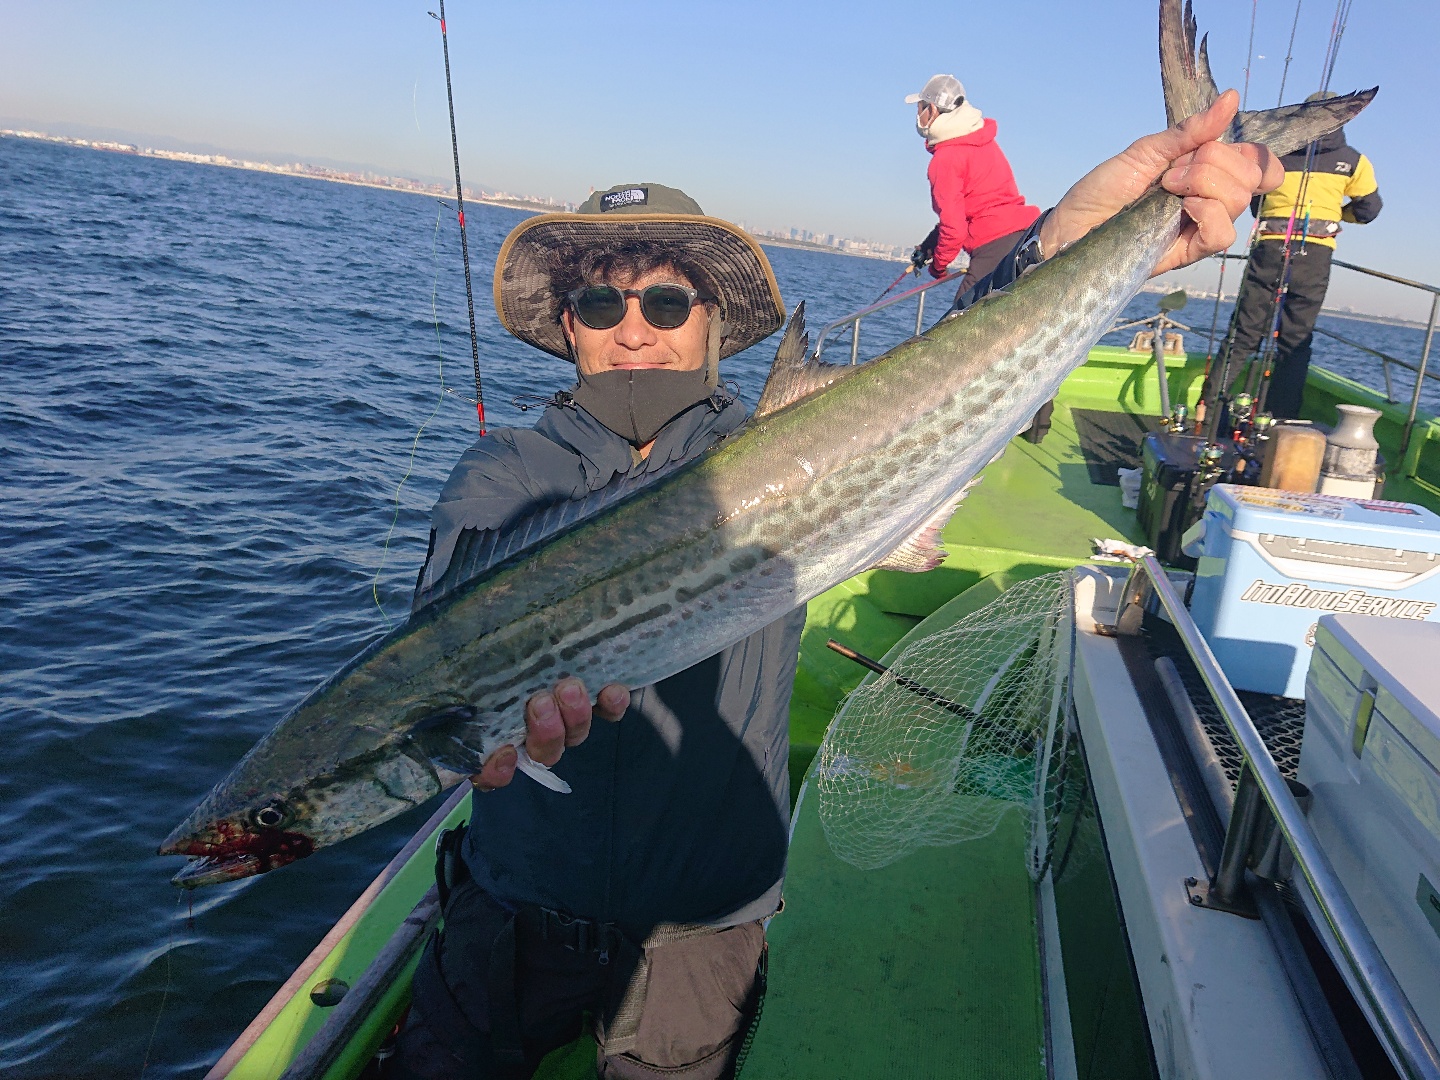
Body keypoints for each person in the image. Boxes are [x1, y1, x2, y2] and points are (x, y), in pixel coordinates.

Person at [389, 89, 1281, 1080]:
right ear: (567, 324)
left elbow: (956, 359)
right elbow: (439, 651)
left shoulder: (780, 448)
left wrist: (1076, 239)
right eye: (602, 303)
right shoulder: (505, 477)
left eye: (667, 301)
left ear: (713, 322)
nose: (634, 330)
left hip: (703, 923)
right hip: (507, 905)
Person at [1224, 90, 1382, 419]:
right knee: (1295, 340)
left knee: (1244, 333)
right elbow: (1369, 209)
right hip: (1315, 255)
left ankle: (1211, 409)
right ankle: (1281, 419)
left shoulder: (1275, 156)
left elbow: (1257, 206)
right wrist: (1341, 215)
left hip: (1269, 247)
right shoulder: (1353, 161)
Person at [906, 74, 1042, 298]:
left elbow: (955, 229)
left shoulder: (945, 160)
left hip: (993, 247)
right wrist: (930, 244)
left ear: (932, 110)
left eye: (920, 107)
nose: (917, 114)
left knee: (958, 324)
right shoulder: (982, 142)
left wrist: (938, 267)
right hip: (1024, 236)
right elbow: (975, 207)